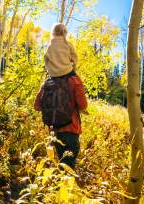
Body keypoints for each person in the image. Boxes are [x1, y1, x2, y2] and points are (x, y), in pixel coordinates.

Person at [34, 23, 88, 169]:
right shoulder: (74, 80)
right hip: (71, 130)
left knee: (61, 167)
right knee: (68, 171)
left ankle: (59, 190)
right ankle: (64, 191)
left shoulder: (47, 82)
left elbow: (37, 106)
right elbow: (83, 105)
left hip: (55, 132)